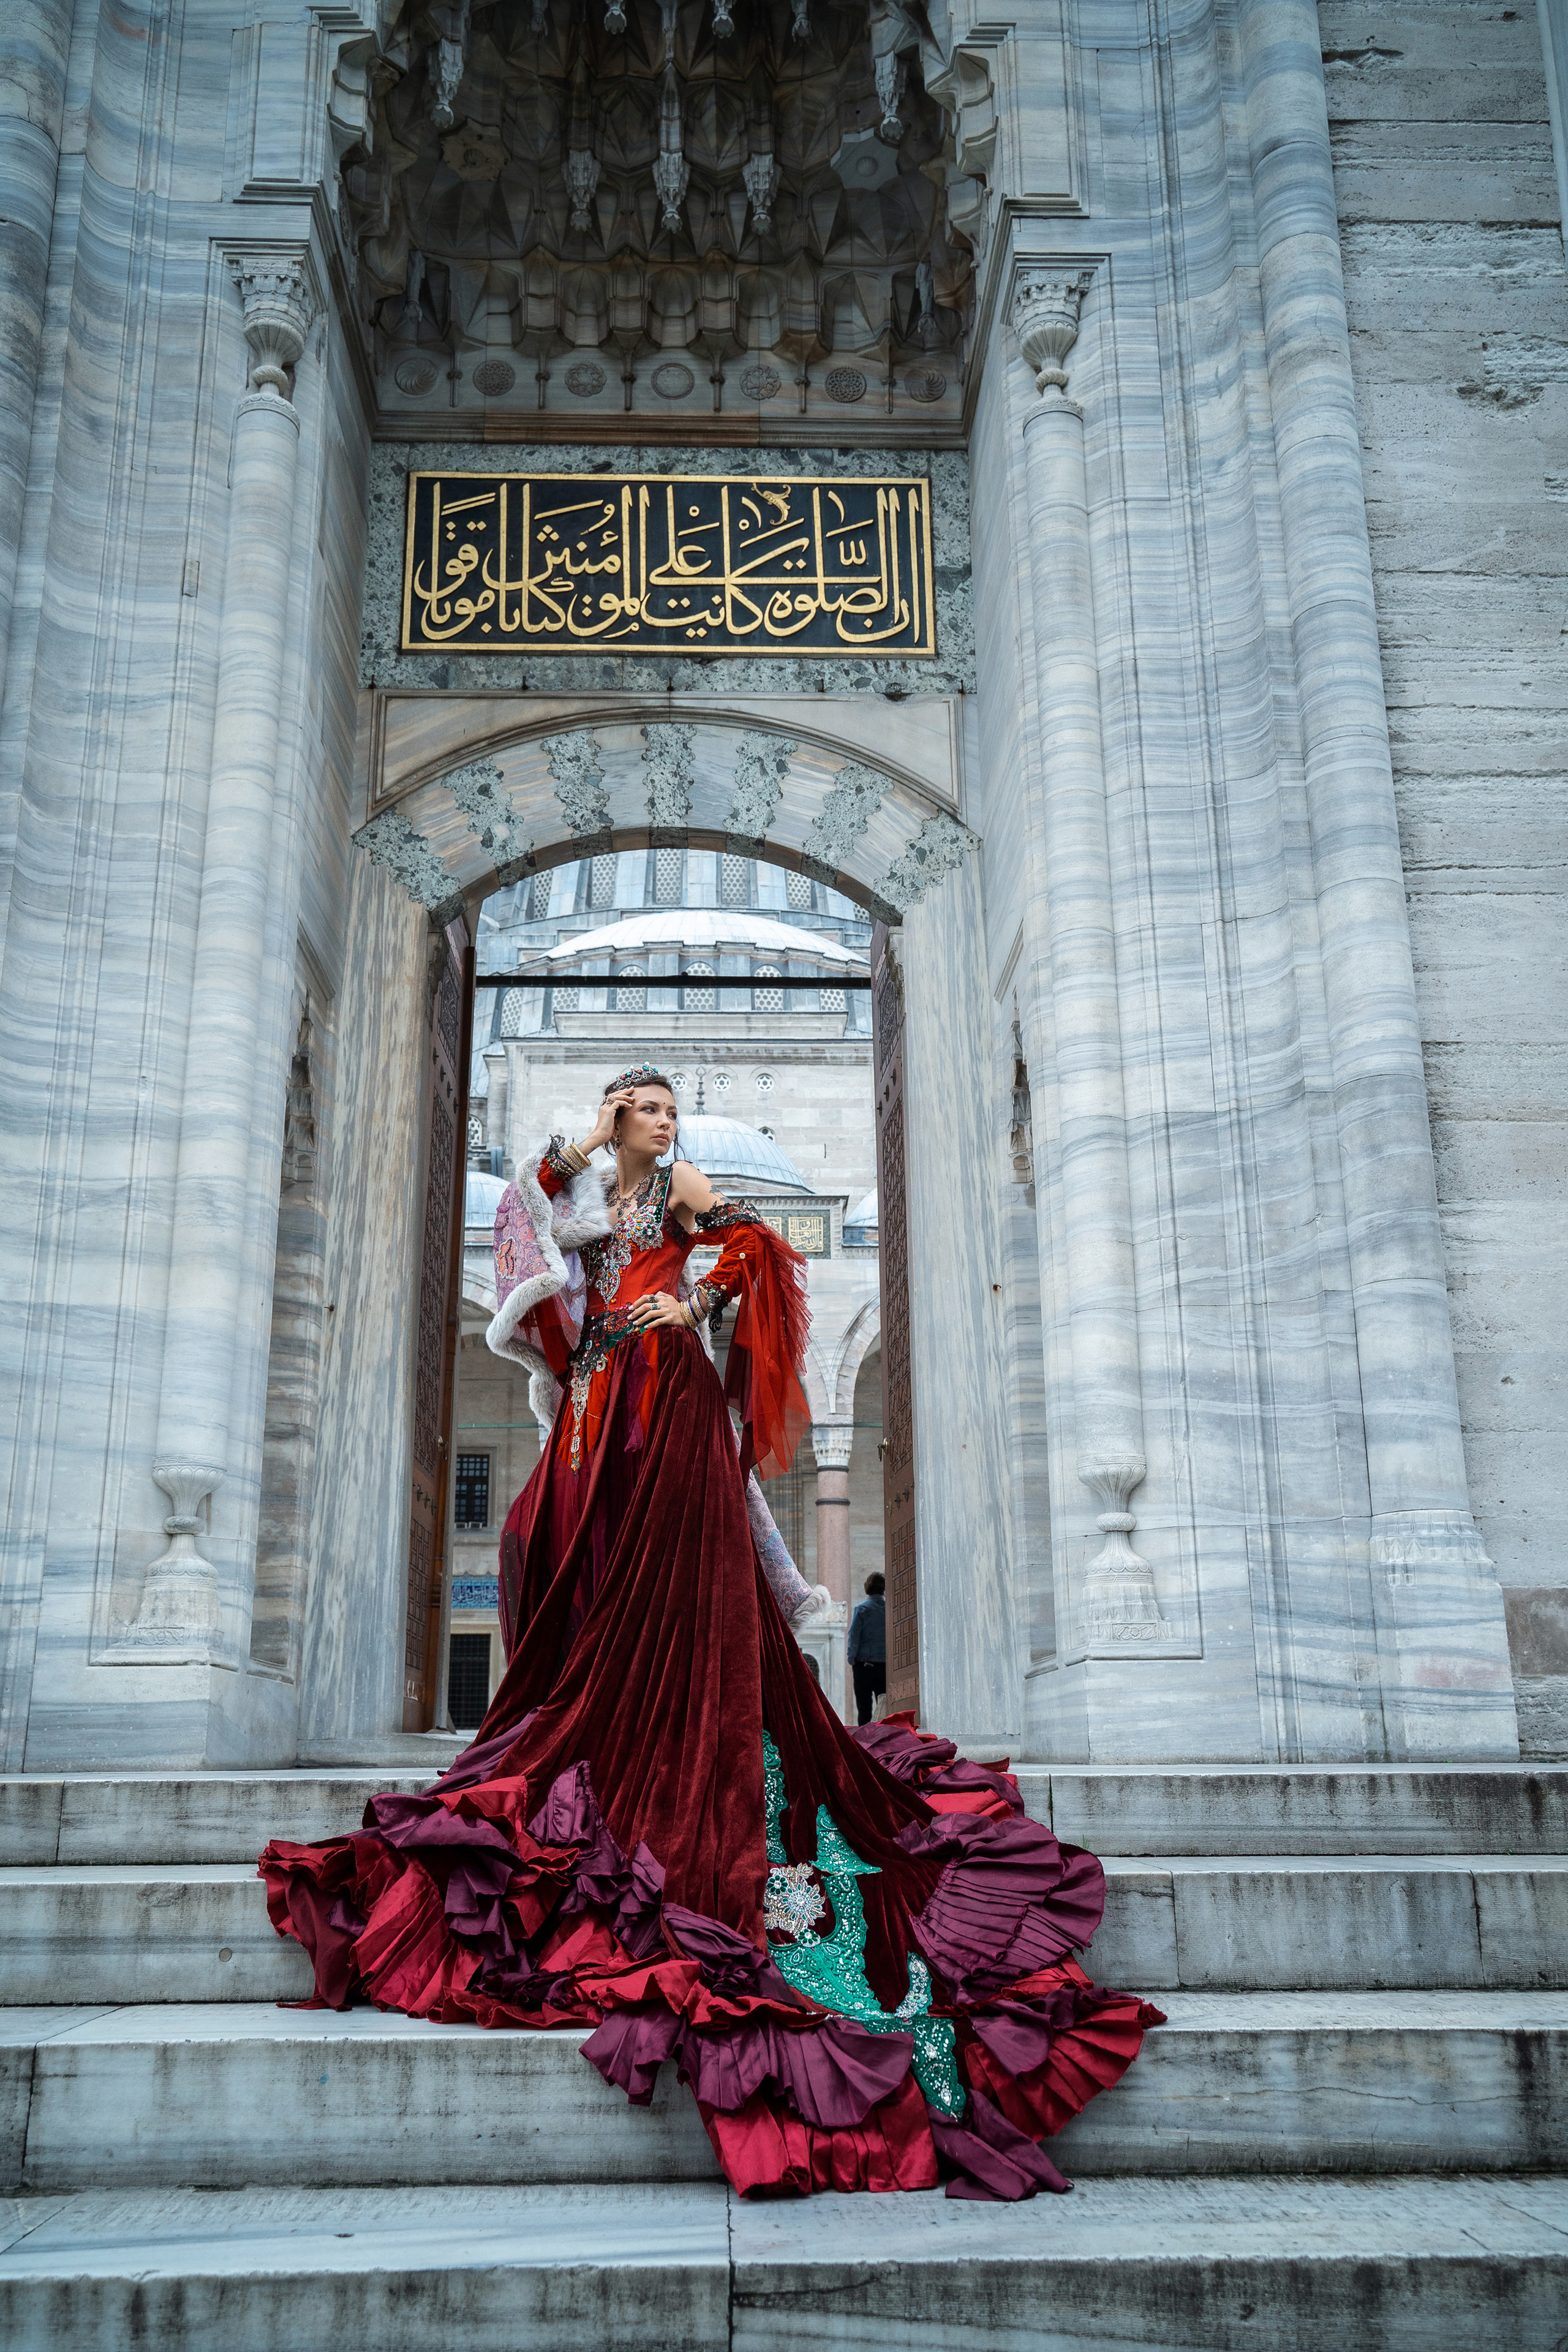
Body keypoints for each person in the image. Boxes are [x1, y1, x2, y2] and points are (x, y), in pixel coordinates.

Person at [261, 1066, 1161, 2200]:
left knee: (677, 1568)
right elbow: (527, 1210)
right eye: (648, 1108)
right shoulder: (587, 1176)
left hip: (669, 1391)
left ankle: (701, 1745)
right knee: (547, 1534)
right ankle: (586, 1725)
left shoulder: (682, 1186)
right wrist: (586, 1144)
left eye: (667, 1108)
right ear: (617, 1114)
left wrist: (692, 1304)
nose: (665, 1121)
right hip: (599, 1395)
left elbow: (756, 1250)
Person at [848, 1572, 888, 1725]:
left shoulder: (862, 1609)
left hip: (864, 1666)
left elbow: (854, 1637)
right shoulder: (889, 1609)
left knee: (864, 1711)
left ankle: (865, 1744)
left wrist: (852, 1660)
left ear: (867, 1588)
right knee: (884, 1709)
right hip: (884, 1667)